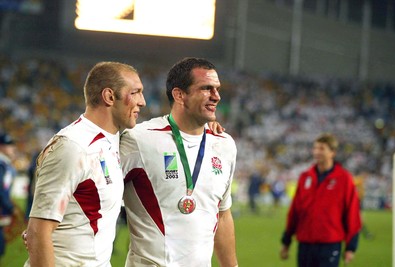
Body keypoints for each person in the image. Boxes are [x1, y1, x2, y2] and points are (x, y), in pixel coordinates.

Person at [24, 61, 146, 267]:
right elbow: (38, 231)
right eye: (135, 92)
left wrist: (210, 130)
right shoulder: (73, 147)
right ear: (109, 96)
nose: (142, 101)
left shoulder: (113, 139)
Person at [120, 57, 238, 267]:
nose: (216, 96)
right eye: (206, 88)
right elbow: (100, 197)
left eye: (217, 89)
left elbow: (222, 215)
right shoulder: (139, 139)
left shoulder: (224, 145)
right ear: (179, 94)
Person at [280, 133, 362, 267]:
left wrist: (351, 247)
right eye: (315, 148)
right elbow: (294, 211)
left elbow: (352, 213)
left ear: (333, 152)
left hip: (329, 244)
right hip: (305, 243)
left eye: (322, 148)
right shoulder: (305, 177)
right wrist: (286, 241)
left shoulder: (344, 179)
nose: (317, 152)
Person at [0, 133, 17, 261]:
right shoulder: (1, 164)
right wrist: (10, 208)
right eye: (9, 145)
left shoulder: (6, 164)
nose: (13, 147)